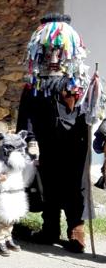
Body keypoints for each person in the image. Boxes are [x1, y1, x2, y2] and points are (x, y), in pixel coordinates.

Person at [17, 13, 97, 253]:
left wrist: (93, 108)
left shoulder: (80, 84)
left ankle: (76, 229)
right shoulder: (34, 86)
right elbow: (27, 116)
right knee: (47, 183)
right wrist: (30, 139)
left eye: (59, 52)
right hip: (45, 143)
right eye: (48, 52)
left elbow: (91, 112)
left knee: (75, 184)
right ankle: (50, 227)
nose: (53, 58)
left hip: (74, 143)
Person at [0, 131, 38, 256]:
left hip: (16, 192)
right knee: (4, 218)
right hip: (3, 193)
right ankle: (0, 240)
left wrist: (33, 163)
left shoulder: (21, 162)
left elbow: (26, 172)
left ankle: (8, 237)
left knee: (12, 219)